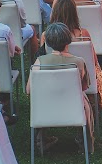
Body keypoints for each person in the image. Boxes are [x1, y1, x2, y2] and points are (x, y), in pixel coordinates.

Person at [28, 23, 94, 153]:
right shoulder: (79, 62)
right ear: (68, 39)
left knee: (39, 99)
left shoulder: (39, 62)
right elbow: (84, 86)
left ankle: (42, 140)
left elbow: (29, 90)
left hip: (46, 108)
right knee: (84, 99)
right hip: (73, 107)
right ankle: (83, 141)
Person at [48, 0, 102, 111]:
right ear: (74, 13)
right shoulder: (83, 34)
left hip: (55, 76)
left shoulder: (46, 35)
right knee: (97, 70)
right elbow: (93, 60)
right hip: (81, 77)